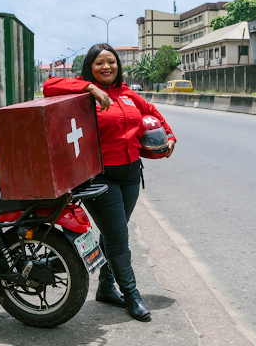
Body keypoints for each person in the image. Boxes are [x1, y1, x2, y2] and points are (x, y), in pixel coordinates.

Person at [43, 43, 176, 322]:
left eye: (111, 62)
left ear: (118, 66)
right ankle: (131, 294)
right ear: (90, 67)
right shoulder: (81, 92)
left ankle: (105, 288)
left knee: (113, 233)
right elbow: (49, 84)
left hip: (130, 175)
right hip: (99, 178)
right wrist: (89, 88)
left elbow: (154, 114)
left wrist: (170, 136)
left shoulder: (128, 94)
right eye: (100, 63)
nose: (107, 67)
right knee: (118, 237)